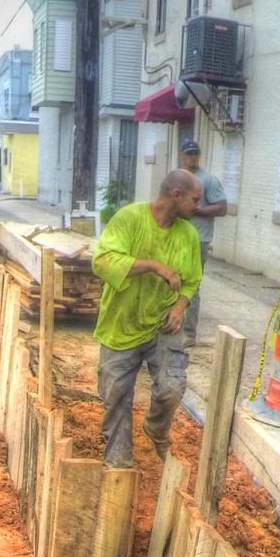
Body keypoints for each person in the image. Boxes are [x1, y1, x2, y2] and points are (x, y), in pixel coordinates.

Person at [91, 169, 203, 468]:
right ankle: (119, 464)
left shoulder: (188, 235)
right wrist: (155, 266)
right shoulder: (130, 219)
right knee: (115, 396)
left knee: (172, 387)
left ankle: (155, 428)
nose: (198, 207)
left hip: (163, 324)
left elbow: (191, 280)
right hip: (122, 323)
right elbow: (102, 262)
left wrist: (180, 306)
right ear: (175, 195)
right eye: (195, 199)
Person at [178, 136, 227, 341]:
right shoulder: (178, 178)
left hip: (198, 238)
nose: (192, 157)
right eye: (188, 154)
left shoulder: (208, 180)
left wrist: (198, 210)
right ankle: (171, 326)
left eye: (195, 153)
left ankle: (189, 333)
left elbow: (223, 207)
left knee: (191, 284)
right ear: (182, 156)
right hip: (176, 237)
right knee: (171, 282)